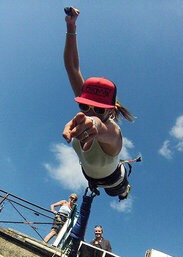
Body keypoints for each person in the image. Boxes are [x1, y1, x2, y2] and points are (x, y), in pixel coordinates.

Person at [62, 7, 135, 200]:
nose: (90, 112)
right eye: (84, 106)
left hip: (114, 180)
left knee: (117, 194)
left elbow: (102, 129)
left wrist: (93, 124)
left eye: (99, 110)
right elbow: (72, 66)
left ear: (110, 111)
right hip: (91, 177)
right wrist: (71, 26)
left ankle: (126, 190)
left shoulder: (114, 133)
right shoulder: (88, 107)